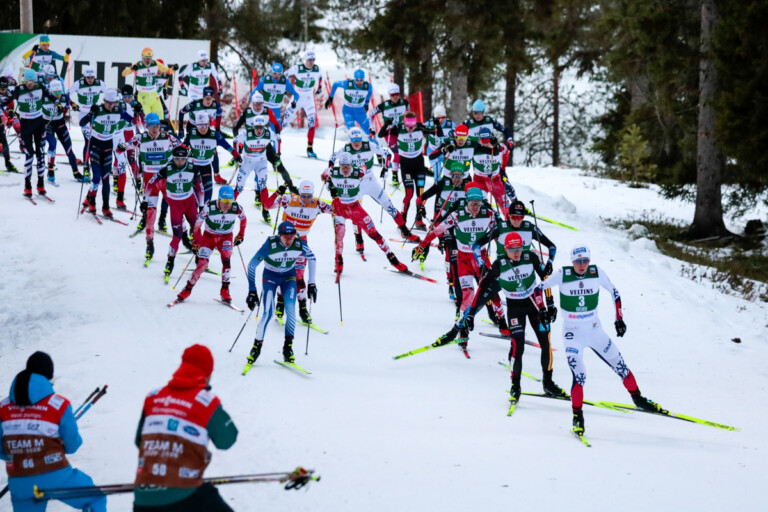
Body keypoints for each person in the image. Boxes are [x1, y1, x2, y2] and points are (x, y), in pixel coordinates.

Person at [536, 244, 665, 435]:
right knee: (580, 375)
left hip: (595, 331)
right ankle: (577, 417)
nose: (582, 265)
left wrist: (619, 318)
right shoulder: (563, 274)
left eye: (585, 261)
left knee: (620, 365)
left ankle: (638, 399)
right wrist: (544, 309)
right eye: (578, 261)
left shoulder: (596, 272)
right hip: (572, 334)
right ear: (572, 261)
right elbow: (539, 288)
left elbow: (614, 292)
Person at [463, 232, 567, 404]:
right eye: (512, 249)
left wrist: (550, 304)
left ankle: (548, 383)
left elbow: (545, 279)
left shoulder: (530, 257)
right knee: (518, 347)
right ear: (506, 249)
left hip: (535, 305)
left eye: (519, 248)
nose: (517, 252)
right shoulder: (499, 265)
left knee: (545, 343)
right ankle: (515, 386)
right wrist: (472, 314)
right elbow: (482, 288)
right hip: (515, 308)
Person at [134, 344, 238, 512]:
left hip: (143, 498)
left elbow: (140, 440)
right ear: (207, 374)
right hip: (186, 494)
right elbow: (227, 440)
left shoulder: (153, 397)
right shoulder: (206, 401)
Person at [0, 351, 106, 512]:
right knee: (94, 498)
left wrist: (21, 451)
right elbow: (72, 445)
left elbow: (2, 450)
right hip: (57, 476)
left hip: (19, 481)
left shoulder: (3, 407)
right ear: (48, 377)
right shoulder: (59, 405)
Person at [412, 186, 508, 346]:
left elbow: (499, 232)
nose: (475, 207)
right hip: (463, 258)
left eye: (478, 204)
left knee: (491, 291)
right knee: (467, 294)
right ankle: (463, 330)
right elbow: (437, 230)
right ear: (467, 203)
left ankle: (502, 322)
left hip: (481, 257)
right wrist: (422, 245)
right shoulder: (458, 215)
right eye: (472, 204)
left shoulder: (488, 214)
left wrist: (504, 251)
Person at [328, 126, 416, 253]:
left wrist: (385, 168)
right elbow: (332, 158)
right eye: (354, 140)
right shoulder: (346, 149)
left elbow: (386, 153)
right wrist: (332, 179)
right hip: (355, 182)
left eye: (358, 139)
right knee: (356, 212)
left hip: (370, 179)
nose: (357, 143)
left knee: (388, 204)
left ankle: (404, 230)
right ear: (350, 140)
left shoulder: (368, 145)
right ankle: (359, 241)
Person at [322, 152, 409, 274]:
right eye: (343, 166)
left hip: (355, 208)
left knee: (374, 234)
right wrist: (329, 184)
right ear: (339, 165)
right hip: (339, 209)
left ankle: (393, 260)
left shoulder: (358, 172)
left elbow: (364, 166)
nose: (346, 169)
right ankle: (339, 262)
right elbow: (324, 174)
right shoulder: (333, 172)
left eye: (348, 166)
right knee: (339, 237)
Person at [245, 221, 318, 366]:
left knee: (291, 311)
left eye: (292, 235)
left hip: (288, 277)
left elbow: (312, 259)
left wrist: (312, 283)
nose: (289, 238)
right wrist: (252, 290)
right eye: (285, 236)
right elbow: (252, 265)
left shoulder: (299, 244)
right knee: (268, 313)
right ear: (280, 235)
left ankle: (287, 349)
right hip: (270, 277)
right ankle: (256, 348)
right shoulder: (270, 245)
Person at [263, 180, 332, 323]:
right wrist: (277, 192)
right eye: (303, 195)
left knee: (299, 276)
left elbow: (338, 210)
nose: (306, 199)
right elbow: (267, 205)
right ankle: (280, 302)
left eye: (308, 196)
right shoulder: (288, 199)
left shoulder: (317, 203)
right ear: (298, 193)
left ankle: (302, 308)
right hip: (283, 243)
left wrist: (335, 195)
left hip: (301, 243)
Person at [176, 186, 246, 304]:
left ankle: (225, 290)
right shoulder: (210, 207)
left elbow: (243, 219)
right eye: (224, 201)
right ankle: (187, 289)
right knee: (202, 264)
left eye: (230, 201)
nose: (227, 204)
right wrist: (195, 240)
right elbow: (198, 223)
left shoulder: (236, 208)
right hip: (209, 237)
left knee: (226, 261)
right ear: (219, 199)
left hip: (226, 237)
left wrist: (241, 234)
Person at [125, 113, 179, 260]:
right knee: (150, 214)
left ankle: (185, 239)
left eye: (157, 126)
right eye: (151, 126)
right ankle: (149, 244)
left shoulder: (167, 137)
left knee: (176, 208)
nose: (155, 129)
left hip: (166, 179)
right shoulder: (140, 138)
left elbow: (182, 148)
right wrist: (120, 147)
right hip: (150, 182)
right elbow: (126, 145)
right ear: (146, 126)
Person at [146, 146, 203, 281]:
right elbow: (150, 182)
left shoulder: (193, 168)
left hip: (189, 204)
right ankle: (170, 260)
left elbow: (200, 188)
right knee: (176, 236)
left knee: (196, 230)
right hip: (175, 206)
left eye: (183, 159)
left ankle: (198, 256)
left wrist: (201, 205)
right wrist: (145, 200)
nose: (179, 162)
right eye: (177, 159)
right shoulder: (167, 168)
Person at [378, 111, 442, 230]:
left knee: (421, 194)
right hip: (406, 165)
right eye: (408, 127)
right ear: (404, 123)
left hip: (419, 165)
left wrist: (437, 124)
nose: (410, 129)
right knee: (409, 194)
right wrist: (387, 124)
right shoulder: (398, 128)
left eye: (412, 127)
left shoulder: (420, 127)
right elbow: (381, 135)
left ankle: (418, 219)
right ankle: (403, 221)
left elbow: (439, 134)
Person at [416, 167, 471, 303]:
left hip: (460, 224)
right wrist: (420, 208)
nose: (457, 179)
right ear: (450, 176)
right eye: (454, 176)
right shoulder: (442, 184)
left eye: (459, 176)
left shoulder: (468, 186)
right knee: (447, 251)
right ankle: (450, 283)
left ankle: (455, 283)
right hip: (442, 221)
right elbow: (421, 198)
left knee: (453, 254)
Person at [79, 88, 133, 217]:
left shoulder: (118, 110)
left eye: (113, 103)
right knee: (96, 177)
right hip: (96, 146)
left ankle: (106, 207)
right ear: (104, 101)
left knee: (106, 179)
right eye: (108, 102)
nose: (110, 105)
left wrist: (126, 111)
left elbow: (130, 120)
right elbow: (82, 123)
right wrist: (90, 114)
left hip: (109, 145)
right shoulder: (98, 110)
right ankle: (91, 201)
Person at [233, 114, 296, 224]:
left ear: (264, 127)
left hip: (261, 162)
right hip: (247, 161)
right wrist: (236, 154)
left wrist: (277, 153)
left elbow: (278, 139)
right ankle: (229, 206)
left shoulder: (268, 133)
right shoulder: (246, 134)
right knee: (240, 186)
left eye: (261, 128)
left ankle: (265, 209)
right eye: (256, 127)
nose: (258, 130)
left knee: (262, 185)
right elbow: (235, 140)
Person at [6, 69, 55, 198]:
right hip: (26, 125)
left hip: (39, 124)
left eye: (32, 81)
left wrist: (58, 104)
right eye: (28, 81)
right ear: (24, 80)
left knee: (40, 155)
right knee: (29, 155)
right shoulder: (19, 89)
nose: (30, 84)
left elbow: (52, 98)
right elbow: (7, 101)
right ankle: (27, 185)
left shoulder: (41, 87)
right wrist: (10, 111)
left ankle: (40, 183)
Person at [182, 112, 241, 203]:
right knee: (193, 192)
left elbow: (227, 146)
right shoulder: (191, 134)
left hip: (206, 165)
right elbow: (182, 148)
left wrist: (237, 156)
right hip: (192, 167)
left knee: (208, 190)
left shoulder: (215, 135)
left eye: (205, 125)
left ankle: (205, 211)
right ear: (196, 125)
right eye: (200, 126)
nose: (203, 128)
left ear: (209, 124)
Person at [178, 87, 226, 184]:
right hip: (193, 127)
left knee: (213, 150)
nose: (208, 101)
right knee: (192, 149)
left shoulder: (216, 106)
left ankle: (216, 175)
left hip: (206, 128)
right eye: (206, 98)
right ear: (203, 97)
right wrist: (180, 128)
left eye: (210, 98)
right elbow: (181, 112)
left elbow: (219, 116)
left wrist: (217, 130)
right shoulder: (195, 104)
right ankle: (187, 171)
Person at [41, 79, 83, 183]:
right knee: (52, 144)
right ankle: (50, 169)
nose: (58, 94)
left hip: (59, 124)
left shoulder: (64, 97)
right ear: (50, 91)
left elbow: (69, 100)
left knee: (68, 148)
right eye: (55, 92)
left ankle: (76, 172)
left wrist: (74, 105)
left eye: (59, 91)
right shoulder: (45, 98)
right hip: (48, 123)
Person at [284, 50, 323, 158]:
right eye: (309, 59)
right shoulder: (298, 68)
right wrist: (286, 88)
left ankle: (310, 149)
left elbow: (320, 77)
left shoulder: (317, 69)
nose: (311, 62)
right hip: (297, 97)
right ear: (305, 59)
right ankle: (272, 145)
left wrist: (319, 88)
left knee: (312, 123)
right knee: (284, 122)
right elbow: (285, 74)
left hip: (309, 98)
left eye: (313, 60)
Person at [68, 65, 105, 178]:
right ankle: (86, 167)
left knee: (99, 139)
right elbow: (67, 94)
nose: (90, 79)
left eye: (92, 77)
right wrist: (73, 104)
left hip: (96, 114)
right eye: (88, 77)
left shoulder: (99, 83)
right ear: (84, 76)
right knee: (88, 141)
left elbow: (108, 94)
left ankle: (101, 164)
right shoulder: (79, 83)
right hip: (84, 114)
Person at [121, 47, 178, 120]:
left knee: (160, 118)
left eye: (150, 58)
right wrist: (131, 69)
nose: (148, 60)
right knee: (149, 120)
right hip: (143, 96)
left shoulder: (155, 63)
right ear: (142, 58)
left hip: (154, 95)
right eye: (146, 58)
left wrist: (174, 68)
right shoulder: (138, 64)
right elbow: (123, 74)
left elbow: (168, 71)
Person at [368, 83, 408, 184]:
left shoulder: (405, 103)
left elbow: (408, 114)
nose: (395, 97)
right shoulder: (384, 106)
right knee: (397, 152)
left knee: (403, 152)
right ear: (389, 95)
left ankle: (403, 171)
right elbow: (371, 115)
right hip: (388, 132)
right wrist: (372, 129)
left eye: (397, 94)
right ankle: (394, 175)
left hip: (400, 130)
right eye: (392, 95)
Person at [471, 127, 514, 215]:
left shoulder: (500, 147)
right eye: (483, 141)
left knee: (505, 204)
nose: (486, 143)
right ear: (479, 140)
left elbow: (506, 154)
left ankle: (510, 220)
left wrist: (503, 169)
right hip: (480, 180)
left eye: (488, 140)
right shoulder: (474, 147)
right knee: (480, 205)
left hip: (494, 178)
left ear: (492, 138)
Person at [464, 99, 514, 167]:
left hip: (490, 150)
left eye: (480, 113)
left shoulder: (489, 121)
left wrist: (510, 141)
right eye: (475, 113)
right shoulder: (468, 123)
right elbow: (457, 134)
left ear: (483, 112)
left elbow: (505, 130)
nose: (477, 115)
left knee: (494, 172)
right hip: (476, 152)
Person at [254, 62, 300, 137]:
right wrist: (255, 102)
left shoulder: (285, 82)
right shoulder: (265, 79)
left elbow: (296, 94)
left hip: (276, 109)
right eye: (275, 73)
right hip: (264, 108)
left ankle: (275, 148)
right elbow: (253, 93)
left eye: (279, 74)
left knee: (276, 134)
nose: (277, 76)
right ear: (271, 72)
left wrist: (294, 102)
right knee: (259, 132)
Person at [325, 69, 372, 133]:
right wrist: (331, 97)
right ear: (354, 79)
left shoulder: (368, 86)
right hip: (348, 111)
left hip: (360, 111)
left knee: (370, 132)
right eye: (357, 80)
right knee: (354, 132)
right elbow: (335, 84)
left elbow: (369, 93)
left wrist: (366, 104)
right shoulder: (347, 84)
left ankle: (373, 143)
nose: (359, 82)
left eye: (361, 80)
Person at [118, 84, 145, 194]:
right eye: (124, 97)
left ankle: (138, 180)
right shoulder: (119, 104)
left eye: (129, 97)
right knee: (119, 156)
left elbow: (143, 120)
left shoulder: (137, 104)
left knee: (131, 158)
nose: (127, 99)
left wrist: (139, 114)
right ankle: (116, 179)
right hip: (119, 133)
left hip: (130, 132)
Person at [424, 105, 455, 181]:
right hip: (433, 152)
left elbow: (456, 137)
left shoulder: (451, 124)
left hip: (445, 152)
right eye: (438, 118)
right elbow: (419, 129)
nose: (441, 120)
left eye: (443, 117)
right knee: (438, 171)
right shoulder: (430, 124)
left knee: (450, 170)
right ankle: (438, 188)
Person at [0, 76, 19, 173]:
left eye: (5, 89)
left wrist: (11, 113)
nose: (3, 91)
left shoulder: (9, 94)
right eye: (1, 89)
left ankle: (8, 164)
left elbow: (10, 106)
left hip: (1, 119)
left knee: (4, 142)